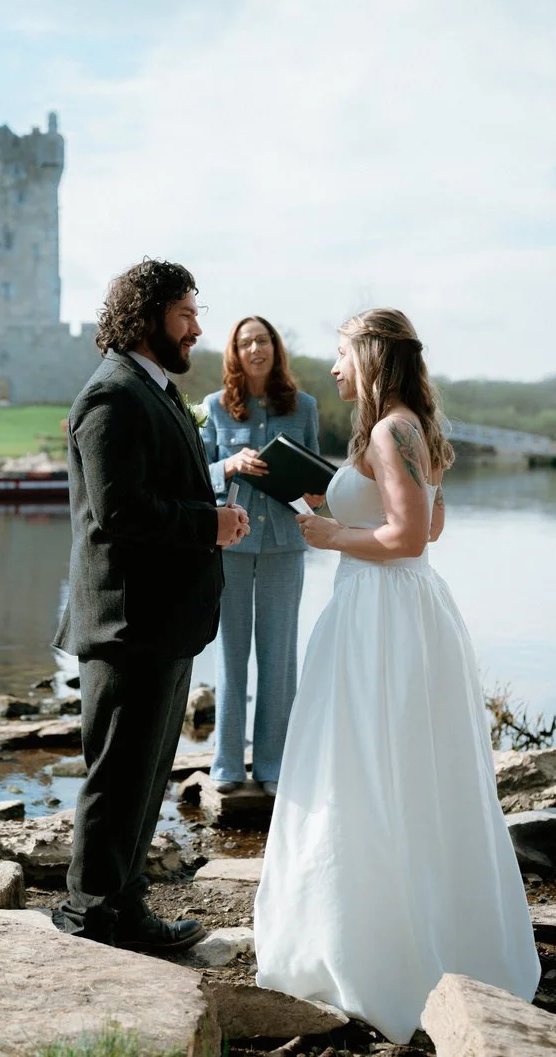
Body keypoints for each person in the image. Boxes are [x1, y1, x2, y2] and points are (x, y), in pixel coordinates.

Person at [254, 308, 539, 1043]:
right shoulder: (411, 427)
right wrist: (341, 506)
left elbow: (408, 536)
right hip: (406, 610)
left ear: (372, 357)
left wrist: (326, 533)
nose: (337, 367)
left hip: (378, 615)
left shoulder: (390, 430)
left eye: (343, 354)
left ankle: (376, 953)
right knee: (410, 769)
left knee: (363, 767)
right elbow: (429, 526)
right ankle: (428, 932)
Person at [53, 259, 249, 952]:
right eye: (186, 313)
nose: (198, 327)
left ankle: (123, 911)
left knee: (143, 778)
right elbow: (118, 511)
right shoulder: (112, 395)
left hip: (161, 623)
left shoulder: (153, 388)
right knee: (117, 780)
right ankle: (88, 918)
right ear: (147, 317)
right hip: (126, 623)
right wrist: (209, 524)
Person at [200, 317, 321, 795]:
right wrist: (231, 463)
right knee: (231, 654)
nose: (256, 348)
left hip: (285, 546)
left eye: (264, 340)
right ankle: (227, 763)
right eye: (246, 341)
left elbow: (316, 486)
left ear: (276, 348)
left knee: (279, 655)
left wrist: (315, 495)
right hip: (230, 545)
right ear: (235, 351)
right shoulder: (214, 407)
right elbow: (198, 477)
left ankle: (272, 763)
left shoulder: (304, 407)